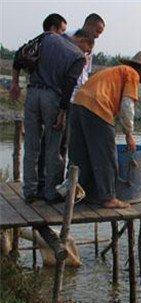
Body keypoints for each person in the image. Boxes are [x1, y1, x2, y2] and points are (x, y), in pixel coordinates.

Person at [68, 51, 141, 208]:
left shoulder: (114, 71)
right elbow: (127, 105)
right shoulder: (132, 74)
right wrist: (129, 134)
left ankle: (76, 194)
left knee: (81, 155)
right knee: (106, 156)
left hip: (78, 104)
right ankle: (108, 198)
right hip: (97, 107)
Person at [21, 30, 94, 203]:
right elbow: (70, 82)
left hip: (32, 93)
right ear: (83, 40)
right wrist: (63, 111)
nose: (86, 54)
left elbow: (21, 55)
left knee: (31, 146)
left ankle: (30, 191)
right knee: (53, 147)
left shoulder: (49, 37)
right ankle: (50, 192)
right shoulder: (78, 56)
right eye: (87, 50)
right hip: (52, 98)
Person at [9, 13, 67, 101]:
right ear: (53, 28)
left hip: (32, 93)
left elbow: (17, 60)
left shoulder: (34, 44)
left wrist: (15, 83)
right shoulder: (61, 47)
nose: (63, 34)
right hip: (51, 95)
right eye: (62, 30)